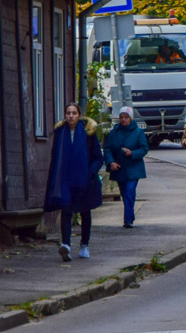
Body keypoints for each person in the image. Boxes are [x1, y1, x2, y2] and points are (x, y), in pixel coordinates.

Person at [43, 102, 103, 261]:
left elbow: (98, 158)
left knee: (85, 212)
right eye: (68, 113)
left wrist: (90, 172)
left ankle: (84, 244)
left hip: (85, 180)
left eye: (74, 113)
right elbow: (55, 156)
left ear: (79, 115)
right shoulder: (60, 133)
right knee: (66, 209)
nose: (71, 116)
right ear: (65, 115)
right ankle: (66, 245)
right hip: (65, 178)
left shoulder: (89, 133)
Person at [105, 106, 149, 228]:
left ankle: (128, 220)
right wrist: (111, 162)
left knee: (130, 191)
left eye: (126, 117)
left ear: (130, 119)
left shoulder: (138, 132)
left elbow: (144, 149)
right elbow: (108, 149)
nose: (123, 120)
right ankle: (130, 215)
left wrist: (133, 153)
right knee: (125, 194)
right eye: (121, 117)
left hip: (134, 168)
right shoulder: (114, 133)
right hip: (119, 168)